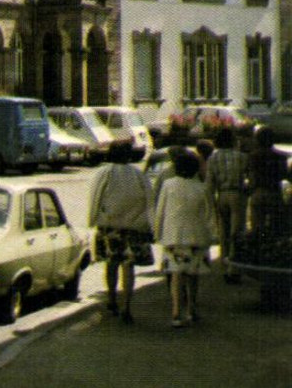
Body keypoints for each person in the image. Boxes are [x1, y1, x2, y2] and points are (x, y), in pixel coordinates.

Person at [86, 139, 153, 323]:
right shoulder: (139, 175)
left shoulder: (104, 173)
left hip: (109, 226)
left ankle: (112, 299)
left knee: (111, 263)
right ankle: (127, 305)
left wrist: (91, 220)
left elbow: (95, 197)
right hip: (134, 227)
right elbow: (150, 200)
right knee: (128, 266)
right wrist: (149, 224)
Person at [154, 147, 216, 328]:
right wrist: (213, 235)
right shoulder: (202, 188)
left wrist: (158, 233)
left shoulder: (168, 185)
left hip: (174, 236)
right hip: (197, 235)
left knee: (176, 275)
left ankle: (175, 312)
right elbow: (209, 214)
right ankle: (192, 308)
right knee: (193, 274)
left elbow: (161, 211)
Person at [205, 127, 250, 281]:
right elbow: (248, 178)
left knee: (223, 232)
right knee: (236, 232)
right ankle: (234, 267)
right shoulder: (242, 157)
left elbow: (209, 184)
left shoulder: (213, 158)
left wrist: (210, 202)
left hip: (221, 194)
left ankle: (224, 262)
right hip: (237, 194)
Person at [247, 125, 289, 236]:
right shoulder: (280, 157)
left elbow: (250, 176)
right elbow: (284, 175)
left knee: (257, 229)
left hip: (258, 193)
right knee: (275, 229)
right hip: (274, 193)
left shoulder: (252, 156)